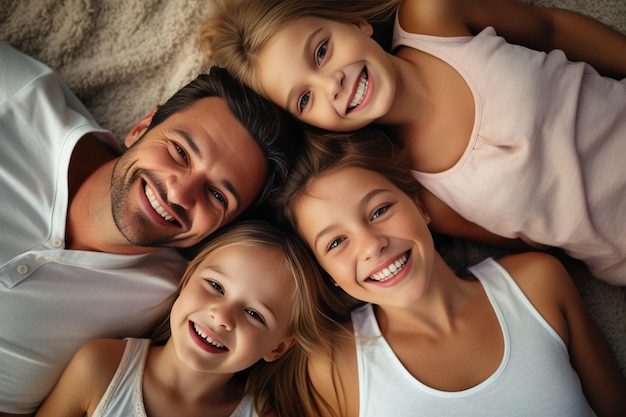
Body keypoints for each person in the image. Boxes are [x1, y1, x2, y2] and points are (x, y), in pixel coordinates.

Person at [199, 0, 626, 285]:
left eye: (322, 52)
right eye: (305, 98)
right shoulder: (415, 189)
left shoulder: (432, 17)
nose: (332, 84)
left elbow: (552, 28)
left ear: (355, 24)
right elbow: (537, 240)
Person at [0, 42, 302, 416]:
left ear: (219, 231)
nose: (178, 192)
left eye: (216, 195)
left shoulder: (177, 295)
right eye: (179, 151)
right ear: (143, 126)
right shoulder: (15, 96)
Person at [274, 128, 626, 417]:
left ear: (420, 206)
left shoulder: (537, 283)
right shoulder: (332, 368)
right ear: (326, 273)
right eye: (335, 243)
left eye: (379, 210)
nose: (371, 245)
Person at [34, 220, 336, 417]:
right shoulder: (101, 367)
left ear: (278, 348)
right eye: (215, 286)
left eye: (255, 314)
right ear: (187, 278)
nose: (222, 316)